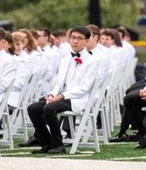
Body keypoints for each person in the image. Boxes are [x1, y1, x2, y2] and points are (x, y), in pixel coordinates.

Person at [28, 26, 97, 154]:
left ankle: (58, 144)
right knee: (33, 108)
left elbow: (84, 88)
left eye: (79, 38)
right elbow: (58, 83)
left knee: (49, 108)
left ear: (87, 41)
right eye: (73, 38)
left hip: (77, 99)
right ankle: (46, 143)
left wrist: (61, 96)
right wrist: (51, 94)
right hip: (60, 97)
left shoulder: (92, 61)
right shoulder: (65, 59)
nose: (75, 41)